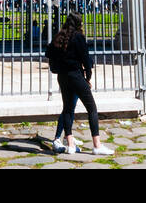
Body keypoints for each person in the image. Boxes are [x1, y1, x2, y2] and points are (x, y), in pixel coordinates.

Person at [45, 13, 112, 155]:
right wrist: (88, 77)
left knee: (68, 109)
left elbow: (49, 53)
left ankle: (70, 145)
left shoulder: (59, 37)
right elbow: (86, 60)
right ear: (78, 24)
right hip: (76, 75)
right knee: (92, 108)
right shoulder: (78, 37)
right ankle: (97, 145)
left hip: (62, 77)